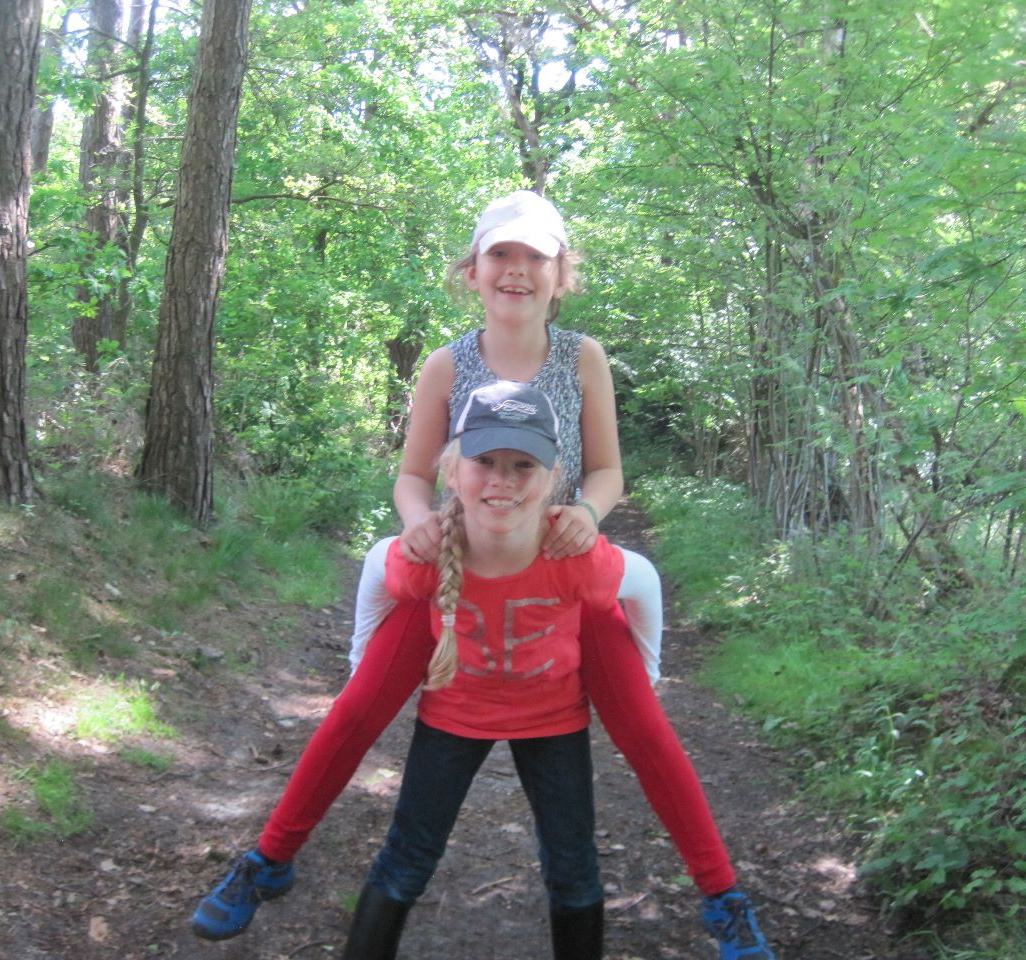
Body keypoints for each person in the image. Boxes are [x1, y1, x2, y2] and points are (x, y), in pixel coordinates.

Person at [191, 190, 775, 959]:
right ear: (472, 270)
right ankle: (269, 858)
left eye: (536, 256)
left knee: (645, 732)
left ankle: (721, 896)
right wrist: (418, 525)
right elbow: (411, 475)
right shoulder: (447, 363)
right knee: (357, 709)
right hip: (456, 564)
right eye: (501, 254)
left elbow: (605, 472)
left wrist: (588, 518)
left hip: (562, 560)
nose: (517, 271)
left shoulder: (582, 357)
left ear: (563, 273)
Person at [342, 380, 658, 960]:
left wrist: (649, 671)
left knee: (572, 865)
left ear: (553, 476)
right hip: (453, 715)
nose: (501, 480)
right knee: (409, 854)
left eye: (523, 464)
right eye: (483, 460)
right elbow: (378, 575)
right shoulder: (430, 553)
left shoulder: (576, 554)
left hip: (555, 721)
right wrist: (360, 661)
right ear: (452, 470)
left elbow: (641, 581)